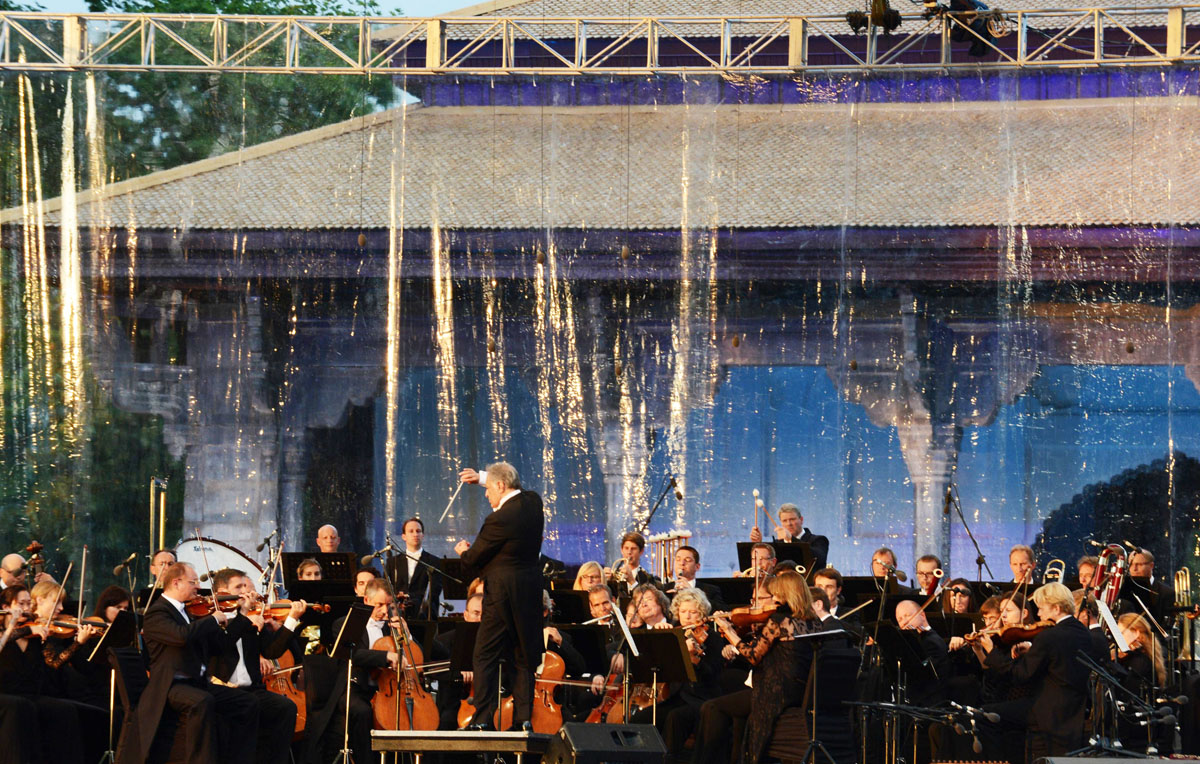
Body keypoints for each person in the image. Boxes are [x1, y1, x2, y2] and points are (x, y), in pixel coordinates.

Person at [127, 562, 258, 764]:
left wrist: (242, 615)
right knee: (201, 701)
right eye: (193, 581)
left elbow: (221, 645)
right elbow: (181, 636)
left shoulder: (192, 611)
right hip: (171, 686)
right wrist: (212, 619)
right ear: (176, 582)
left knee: (247, 703)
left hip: (198, 682)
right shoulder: (157, 613)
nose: (198, 587)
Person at [454, 461, 544, 731]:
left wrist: (462, 552)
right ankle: (523, 718)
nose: (486, 495)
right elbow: (511, 484)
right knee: (523, 653)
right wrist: (483, 477)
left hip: (502, 593)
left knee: (485, 654)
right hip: (529, 592)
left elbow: (473, 559)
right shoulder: (533, 502)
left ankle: (482, 718)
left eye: (489, 489)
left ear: (501, 486)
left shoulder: (498, 518)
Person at [979, 582, 1098, 761]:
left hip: (1046, 710)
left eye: (1042, 608)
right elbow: (1059, 660)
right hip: (1074, 709)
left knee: (984, 716)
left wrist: (991, 652)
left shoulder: (1049, 636)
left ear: (1056, 608)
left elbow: (1019, 675)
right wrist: (1033, 651)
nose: (1039, 614)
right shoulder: (1083, 632)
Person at [713, 570, 819, 764]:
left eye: (777, 594)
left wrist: (729, 631)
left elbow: (752, 656)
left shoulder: (779, 620)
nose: (774, 599)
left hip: (776, 692)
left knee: (714, 707)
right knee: (739, 719)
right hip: (801, 688)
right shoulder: (813, 621)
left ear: (787, 594)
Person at [207, 568, 304, 764]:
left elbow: (272, 651)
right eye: (239, 587)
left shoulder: (253, 618)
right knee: (245, 710)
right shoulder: (211, 620)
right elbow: (221, 644)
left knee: (286, 707)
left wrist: (292, 618)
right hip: (221, 689)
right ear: (222, 593)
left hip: (252, 689)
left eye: (246, 586)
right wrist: (243, 620)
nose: (246, 592)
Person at [385, 517, 443, 619]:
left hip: (424, 614)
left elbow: (434, 591)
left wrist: (411, 599)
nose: (415, 534)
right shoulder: (392, 562)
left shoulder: (434, 561)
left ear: (423, 535)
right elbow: (387, 587)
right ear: (404, 536)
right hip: (398, 613)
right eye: (411, 531)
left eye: (418, 531)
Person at [749, 503, 829, 570]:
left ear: (801, 520)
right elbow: (768, 567)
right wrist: (758, 543)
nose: (789, 524)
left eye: (792, 519)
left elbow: (818, 559)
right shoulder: (777, 544)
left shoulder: (819, 540)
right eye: (784, 521)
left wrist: (791, 538)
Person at [605, 532, 659, 596]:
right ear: (621, 550)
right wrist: (606, 581)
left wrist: (632, 581)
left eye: (633, 549)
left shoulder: (648, 579)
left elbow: (645, 600)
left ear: (641, 551)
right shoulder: (614, 575)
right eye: (626, 548)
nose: (629, 552)